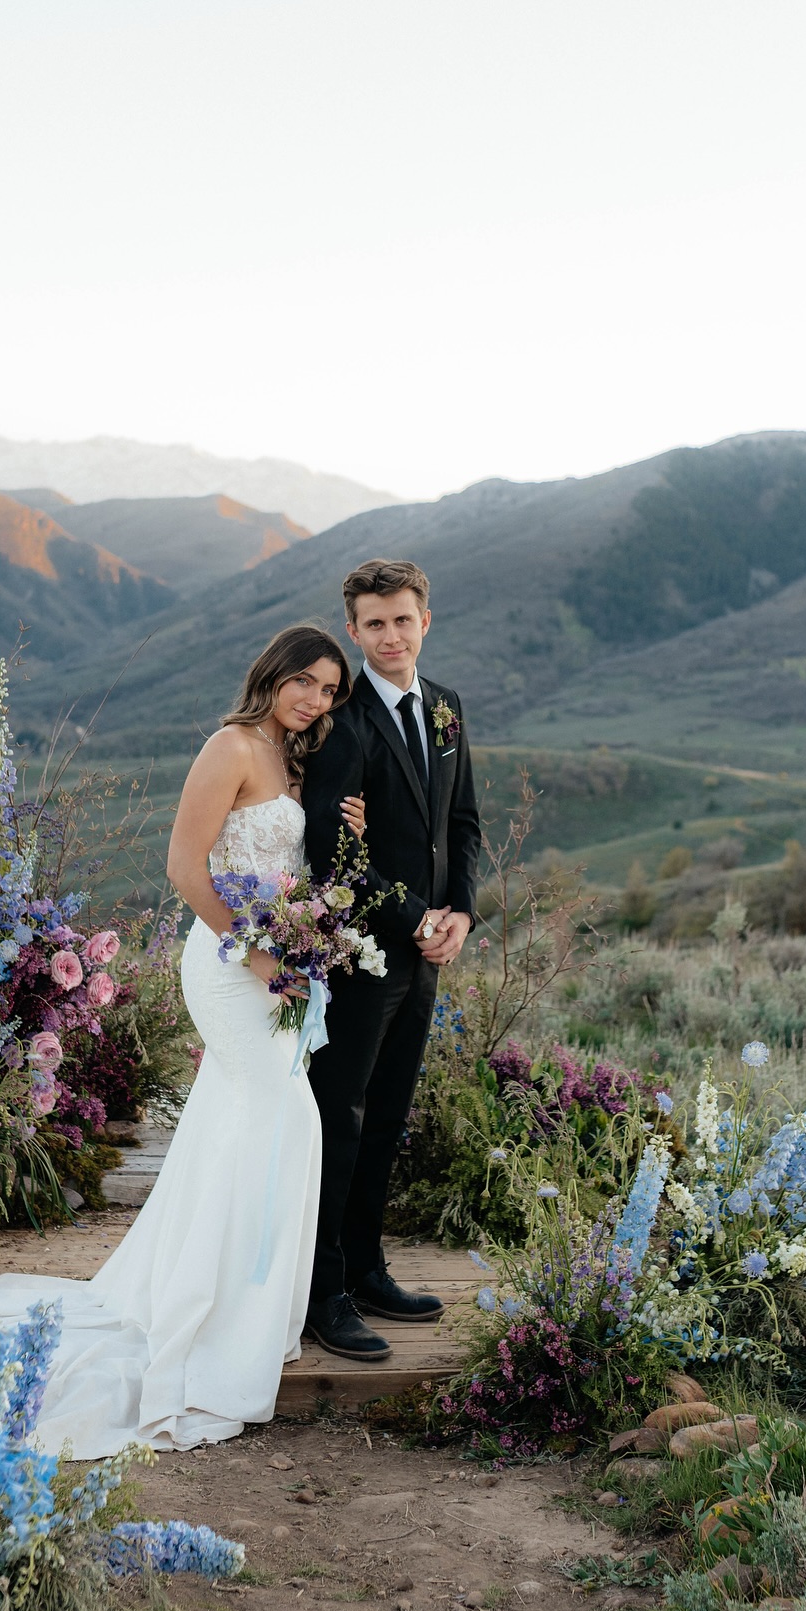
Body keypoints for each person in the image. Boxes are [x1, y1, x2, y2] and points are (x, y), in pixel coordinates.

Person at [0, 625, 365, 1458]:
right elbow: (185, 867)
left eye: (329, 690)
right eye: (306, 681)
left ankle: (238, 1312)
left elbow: (293, 865)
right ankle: (214, 1320)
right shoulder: (233, 744)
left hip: (273, 962)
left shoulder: (293, 761)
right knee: (284, 1119)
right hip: (228, 964)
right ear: (274, 673)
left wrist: (336, 863)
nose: (315, 699)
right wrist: (256, 956)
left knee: (258, 1123)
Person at [301, 559, 481, 1360]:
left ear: (425, 621)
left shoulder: (445, 709)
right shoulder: (342, 724)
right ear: (353, 631)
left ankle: (369, 1269)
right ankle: (323, 1292)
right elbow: (331, 851)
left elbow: (464, 823)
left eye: (402, 620)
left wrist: (463, 916)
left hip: (430, 950)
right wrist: (415, 917)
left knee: (390, 1119)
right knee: (341, 1118)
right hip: (364, 951)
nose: (390, 636)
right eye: (374, 624)